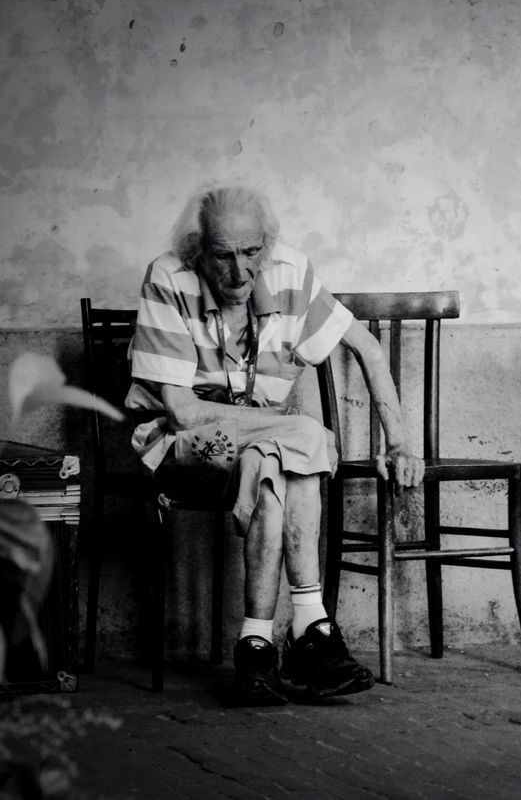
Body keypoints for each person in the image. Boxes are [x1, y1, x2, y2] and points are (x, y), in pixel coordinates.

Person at [125, 185, 425, 705]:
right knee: (306, 438)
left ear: (266, 242)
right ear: (200, 251)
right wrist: (297, 430)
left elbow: (367, 349)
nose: (240, 272)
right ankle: (311, 633)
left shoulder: (290, 271)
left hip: (263, 441)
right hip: (183, 443)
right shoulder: (168, 276)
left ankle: (256, 646)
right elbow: (185, 411)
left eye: (251, 252)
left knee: (269, 462)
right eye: (223, 256)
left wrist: (399, 443)